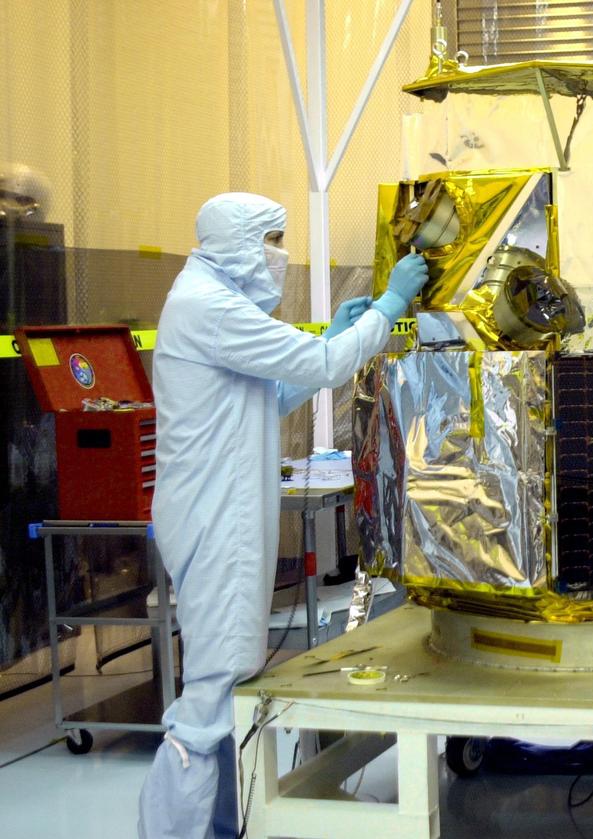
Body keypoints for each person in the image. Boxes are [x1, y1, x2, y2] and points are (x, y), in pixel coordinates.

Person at [137, 193, 429, 838]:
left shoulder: (213, 300)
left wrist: (336, 334)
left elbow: (271, 393)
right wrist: (388, 307)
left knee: (231, 679)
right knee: (213, 693)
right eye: (271, 239)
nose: (279, 255)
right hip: (215, 517)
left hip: (223, 510)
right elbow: (322, 367)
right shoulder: (207, 306)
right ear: (235, 241)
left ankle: (223, 826)